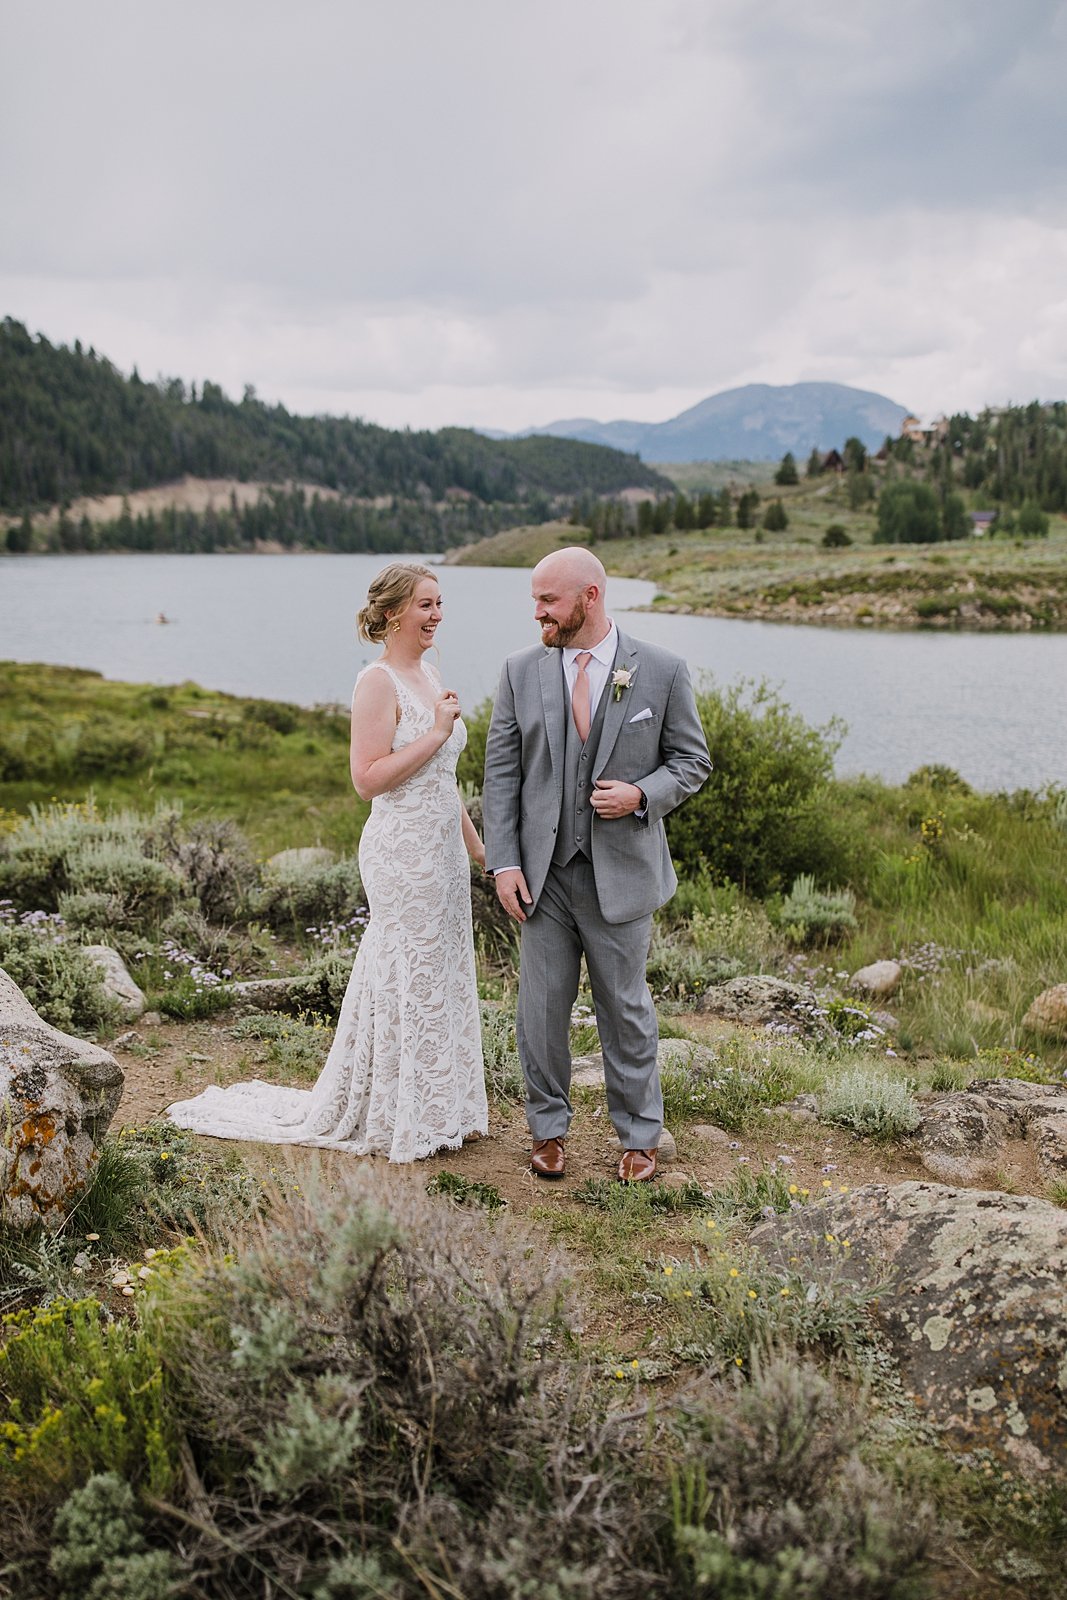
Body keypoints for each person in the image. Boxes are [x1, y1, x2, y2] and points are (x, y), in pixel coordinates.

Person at [167, 563, 488, 1162]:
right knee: (406, 967)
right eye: (425, 604)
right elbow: (367, 780)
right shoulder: (377, 681)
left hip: (442, 850)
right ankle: (394, 1114)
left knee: (442, 967)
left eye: (440, 603)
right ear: (393, 612)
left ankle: (443, 1108)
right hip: (401, 851)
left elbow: (444, 779)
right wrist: (437, 733)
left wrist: (475, 845)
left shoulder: (430, 673)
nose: (437, 614)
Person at [483, 546, 711, 1183]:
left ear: (589, 597)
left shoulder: (662, 670)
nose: (537, 614)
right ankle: (547, 1130)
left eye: (547, 601)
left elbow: (692, 762)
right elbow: (501, 774)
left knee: (625, 1008)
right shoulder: (519, 671)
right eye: (534, 600)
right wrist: (503, 862)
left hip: (623, 874)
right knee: (541, 1008)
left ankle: (639, 1135)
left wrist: (642, 795)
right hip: (543, 874)